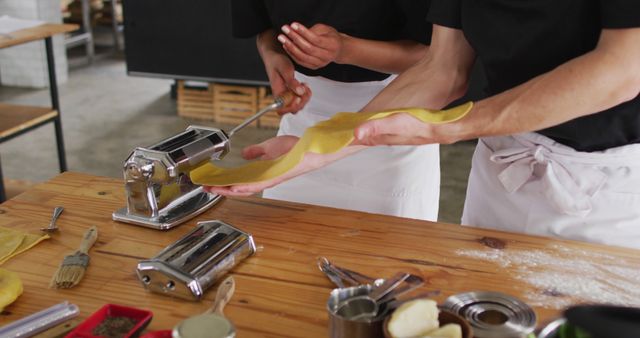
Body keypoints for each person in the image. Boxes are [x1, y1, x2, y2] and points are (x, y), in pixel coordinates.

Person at [212, 0, 640, 249]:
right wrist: (312, 150)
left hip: (604, 187)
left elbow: (624, 67)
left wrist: (453, 126)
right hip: (501, 167)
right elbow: (443, 67)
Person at [230, 0, 441, 221]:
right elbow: (265, 27)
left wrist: (346, 50)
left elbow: (439, 60)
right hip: (301, 125)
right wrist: (275, 56)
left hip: (392, 126)